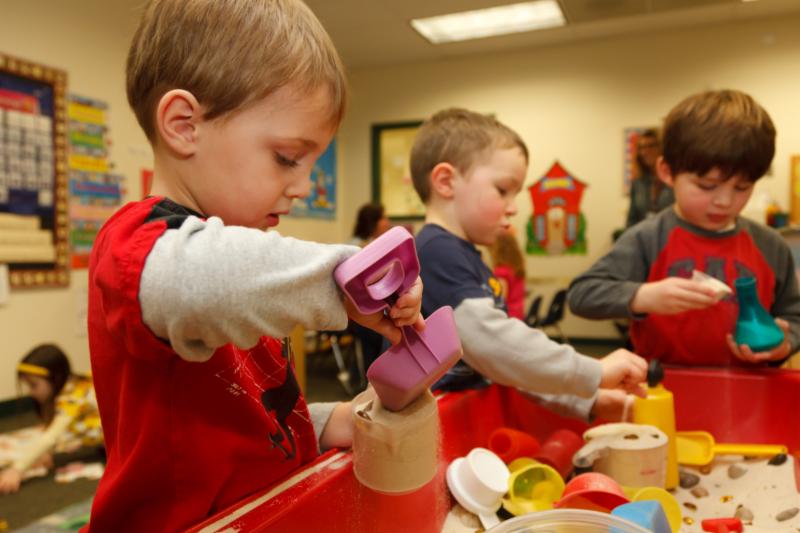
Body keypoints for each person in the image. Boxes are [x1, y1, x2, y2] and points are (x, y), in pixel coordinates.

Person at [86, 1, 423, 531]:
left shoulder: (239, 269)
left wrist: (325, 422)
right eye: (287, 158)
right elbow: (196, 284)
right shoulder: (135, 246)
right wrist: (347, 281)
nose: (303, 186)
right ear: (184, 126)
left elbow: (239, 419)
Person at [410, 108, 647, 422]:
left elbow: (509, 366)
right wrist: (594, 371)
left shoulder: (466, 257)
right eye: (503, 190)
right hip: (426, 427)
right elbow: (497, 348)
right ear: (445, 181)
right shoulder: (436, 253)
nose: (513, 208)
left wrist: (588, 401)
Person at [568, 89, 800, 367]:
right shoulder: (648, 238)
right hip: (662, 382)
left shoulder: (770, 245)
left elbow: (794, 316)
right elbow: (582, 294)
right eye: (707, 186)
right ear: (667, 172)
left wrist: (785, 343)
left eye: (742, 187)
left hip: (751, 383)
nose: (724, 202)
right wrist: (643, 296)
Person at [0, 344, 101, 495]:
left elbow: (51, 437)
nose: (30, 392)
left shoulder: (73, 397)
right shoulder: (70, 387)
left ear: (55, 379)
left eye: (33, 385)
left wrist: (17, 469)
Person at [626, 128, 674, 228]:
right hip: (644, 236)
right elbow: (631, 220)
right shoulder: (638, 183)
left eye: (650, 146)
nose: (644, 152)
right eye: (641, 148)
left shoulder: (673, 179)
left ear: (661, 147)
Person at [489, 229, 526, 320]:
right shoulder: (516, 269)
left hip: (507, 317)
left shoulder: (501, 272)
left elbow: (500, 300)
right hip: (518, 315)